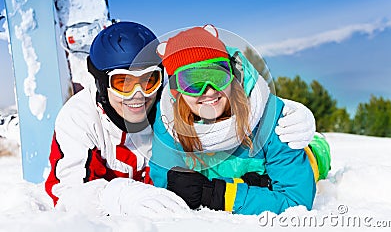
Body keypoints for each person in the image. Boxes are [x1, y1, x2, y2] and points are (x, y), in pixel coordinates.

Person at [45, 21, 317, 218]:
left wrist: (282, 109)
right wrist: (114, 195)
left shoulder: (167, 106)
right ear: (102, 83)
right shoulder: (80, 121)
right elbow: (63, 190)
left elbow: (211, 67)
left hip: (287, 162)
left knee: (313, 153)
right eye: (123, 83)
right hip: (124, 206)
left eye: (149, 80)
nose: (138, 96)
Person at [150, 24, 320, 215]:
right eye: (192, 82)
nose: (209, 91)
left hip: (308, 157)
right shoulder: (168, 122)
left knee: (316, 157)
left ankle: (318, 144)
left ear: (232, 75)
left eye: (217, 75)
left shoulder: (267, 117)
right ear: (176, 91)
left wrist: (221, 195)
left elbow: (296, 201)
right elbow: (168, 187)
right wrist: (246, 187)